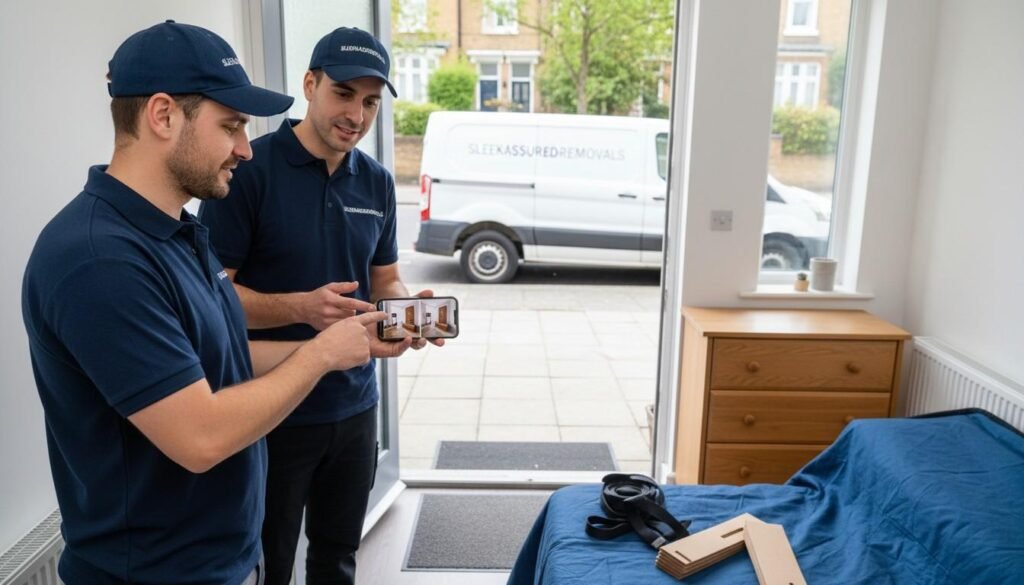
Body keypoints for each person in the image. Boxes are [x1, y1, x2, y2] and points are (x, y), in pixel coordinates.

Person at [21, 21, 387, 585]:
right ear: (163, 116)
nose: (245, 147)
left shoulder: (178, 234)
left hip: (223, 560)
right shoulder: (99, 261)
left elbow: (223, 358)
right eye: (231, 125)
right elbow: (201, 437)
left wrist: (345, 346)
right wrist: (317, 355)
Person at [199, 26, 441, 585]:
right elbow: (212, 300)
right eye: (343, 93)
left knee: (338, 557)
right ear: (310, 85)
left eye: (371, 101)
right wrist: (300, 309)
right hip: (273, 407)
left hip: (355, 406)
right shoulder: (247, 170)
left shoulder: (377, 182)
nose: (357, 113)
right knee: (270, 560)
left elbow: (385, 280)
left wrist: (407, 311)